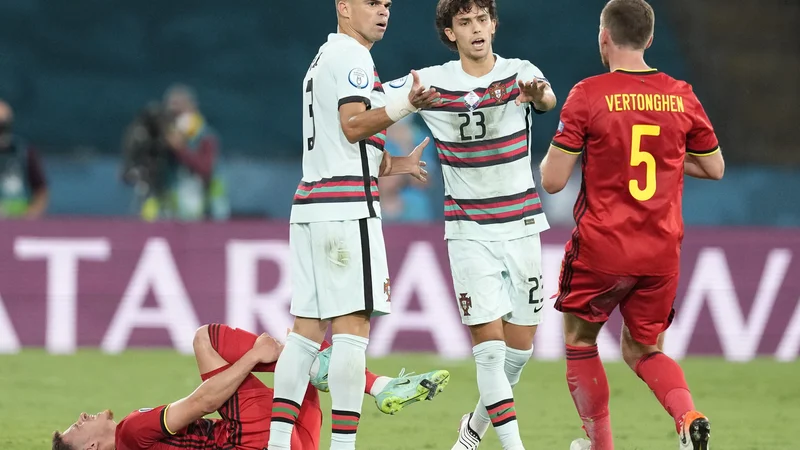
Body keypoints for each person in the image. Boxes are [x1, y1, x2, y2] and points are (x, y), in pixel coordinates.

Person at [538, 1, 725, 449]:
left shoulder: (588, 94)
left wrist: (591, 150)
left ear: (604, 37)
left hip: (603, 247)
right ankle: (687, 416)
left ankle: (600, 445)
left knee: (581, 340)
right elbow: (714, 167)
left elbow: (552, 179)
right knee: (643, 350)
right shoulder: (680, 93)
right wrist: (665, 158)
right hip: (660, 251)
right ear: (650, 39)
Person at [383, 1, 557, 449]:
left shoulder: (520, 72)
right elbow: (370, 105)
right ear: (450, 33)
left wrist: (539, 96)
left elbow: (547, 98)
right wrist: (396, 140)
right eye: (465, 23)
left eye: (482, 19)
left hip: (521, 224)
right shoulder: (432, 81)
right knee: (490, 349)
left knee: (519, 351)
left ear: (494, 24)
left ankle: (473, 429)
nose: (476, 29)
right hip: (468, 230)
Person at [270, 0, 441, 449]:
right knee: (352, 331)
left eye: (386, 4)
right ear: (343, 7)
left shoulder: (323, 58)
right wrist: (405, 103)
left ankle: (276, 442)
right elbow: (351, 126)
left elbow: (339, 145)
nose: (383, 11)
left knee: (306, 334)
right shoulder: (353, 57)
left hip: (311, 204)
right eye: (371, 3)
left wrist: (395, 163)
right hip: (346, 210)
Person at [52, 324, 451, 450]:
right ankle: (377, 385)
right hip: (251, 438)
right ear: (90, 448)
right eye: (77, 426)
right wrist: (254, 355)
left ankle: (377, 384)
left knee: (306, 363)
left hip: (295, 440)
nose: (82, 417)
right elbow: (205, 401)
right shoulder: (129, 433)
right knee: (205, 340)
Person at [0, 100, 48, 219]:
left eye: (3, 127)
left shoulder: (24, 152)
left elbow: (41, 190)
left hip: (19, 221)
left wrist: (29, 216)